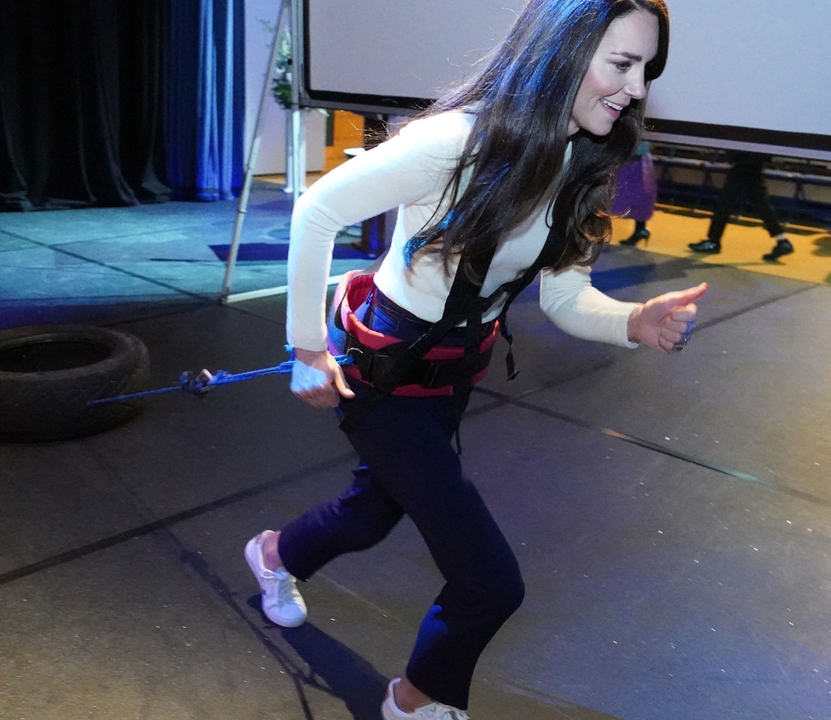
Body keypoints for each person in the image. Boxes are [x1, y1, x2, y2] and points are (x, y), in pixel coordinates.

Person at [244, 2, 704, 718]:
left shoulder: (582, 158)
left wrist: (633, 322)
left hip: (452, 377)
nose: (638, 87)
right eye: (622, 64)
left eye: (646, 69)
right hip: (385, 374)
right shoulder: (457, 140)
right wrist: (305, 346)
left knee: (371, 514)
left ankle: (274, 556)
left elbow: (565, 298)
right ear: (561, 51)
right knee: (490, 582)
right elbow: (317, 213)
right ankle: (417, 700)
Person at [687, 150, 795, 261]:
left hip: (745, 162)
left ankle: (713, 241)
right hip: (755, 162)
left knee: (725, 203)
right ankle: (782, 240)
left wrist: (732, 155)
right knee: (762, 204)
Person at [611, 140, 657, 244]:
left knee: (621, 196)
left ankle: (640, 229)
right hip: (637, 163)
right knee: (638, 196)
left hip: (631, 163)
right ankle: (640, 229)